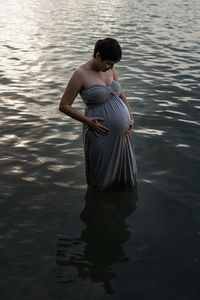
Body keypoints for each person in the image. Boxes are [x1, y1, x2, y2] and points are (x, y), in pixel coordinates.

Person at [59, 37, 137, 190]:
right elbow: (64, 105)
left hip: (122, 137)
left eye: (114, 64)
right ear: (98, 55)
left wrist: (130, 116)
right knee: (101, 180)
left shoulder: (110, 69)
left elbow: (120, 94)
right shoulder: (80, 74)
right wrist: (88, 121)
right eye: (108, 63)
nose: (111, 67)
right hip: (99, 133)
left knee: (124, 181)